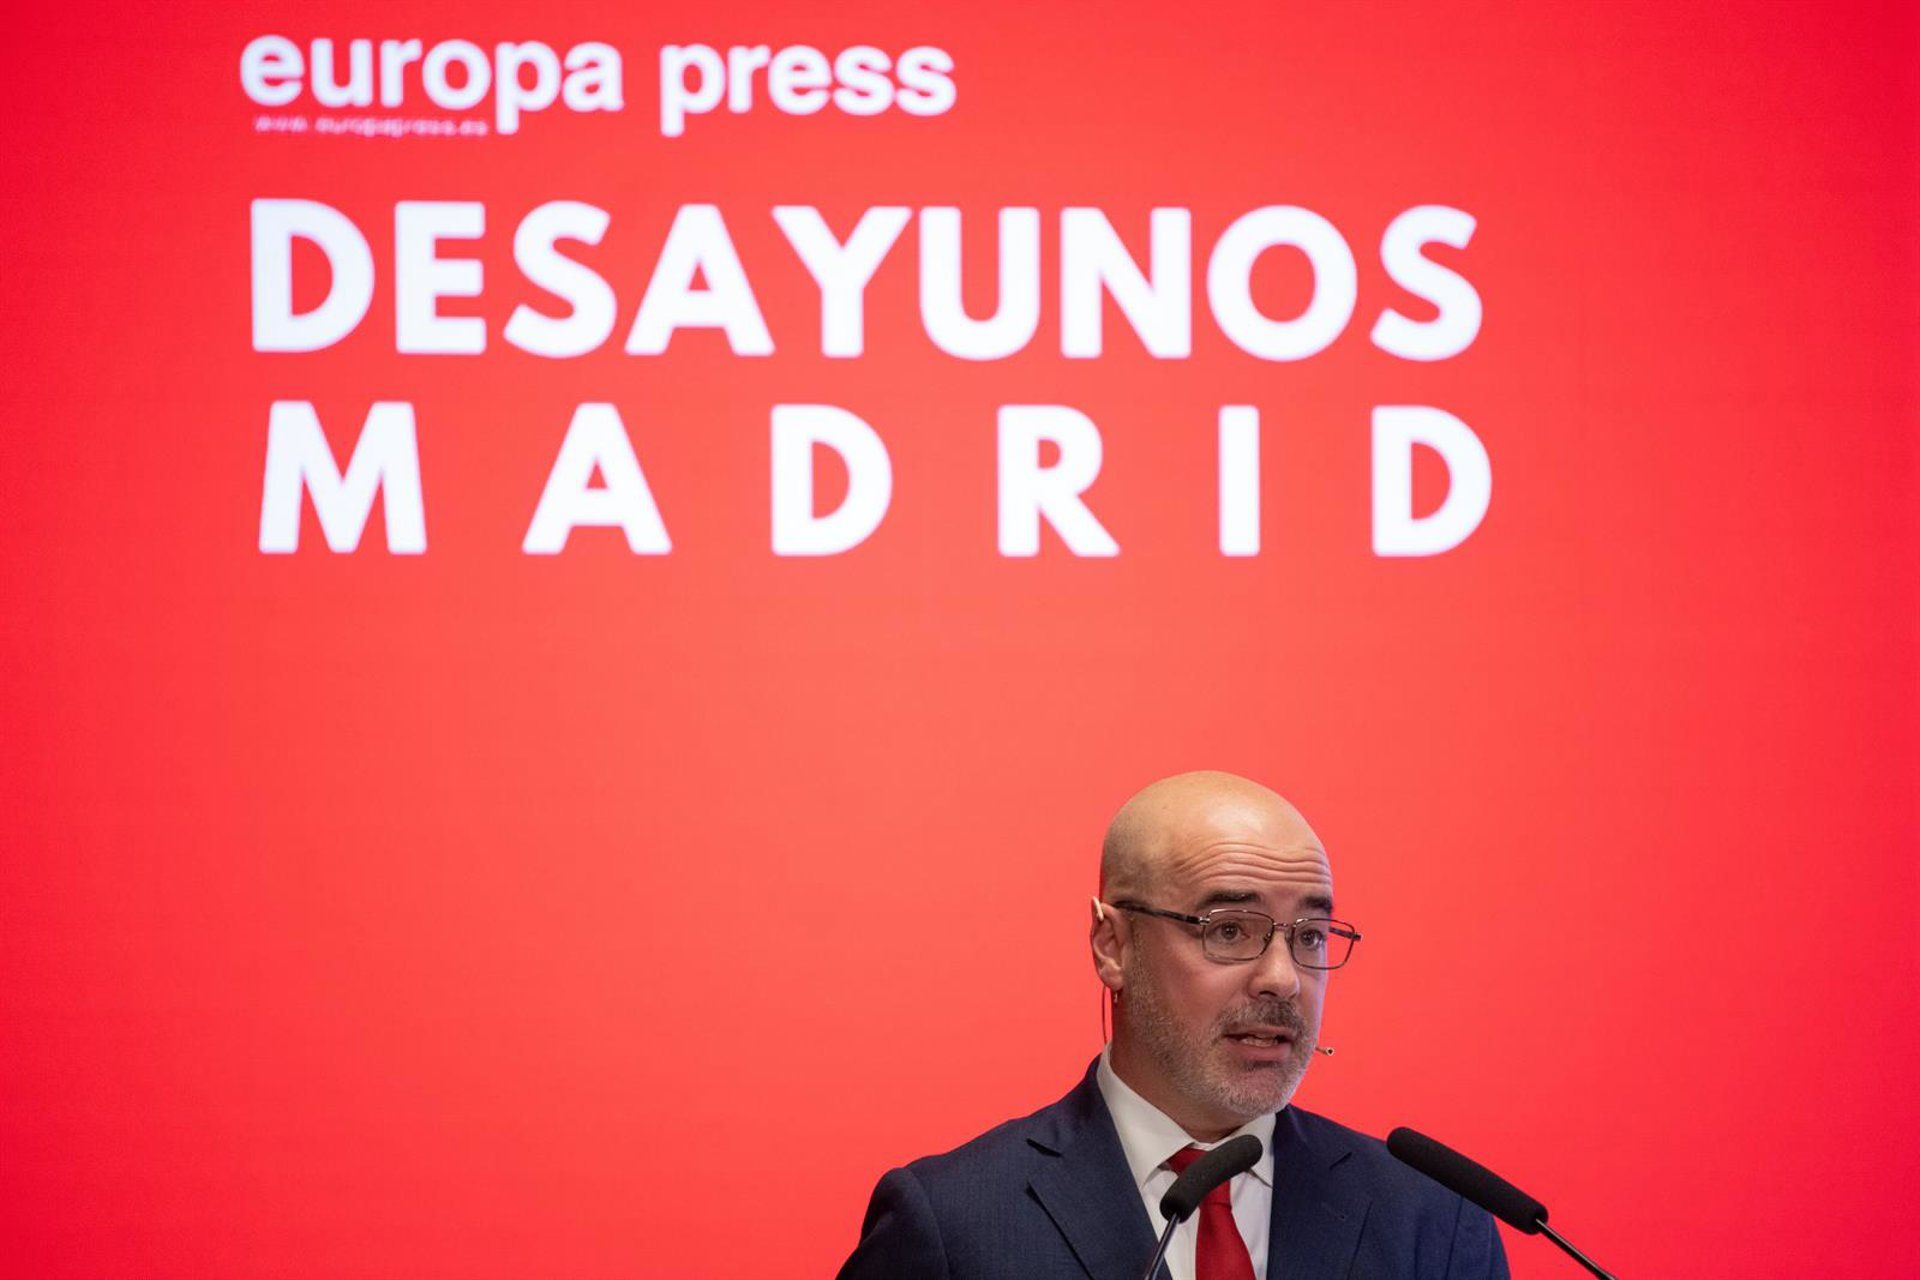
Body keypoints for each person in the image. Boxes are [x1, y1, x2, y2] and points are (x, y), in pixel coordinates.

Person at [837, 770, 1509, 1279]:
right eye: (1229, 930)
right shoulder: (955, 1227)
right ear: (1112, 945)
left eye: (1310, 935)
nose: (1283, 978)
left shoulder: (1433, 1222)